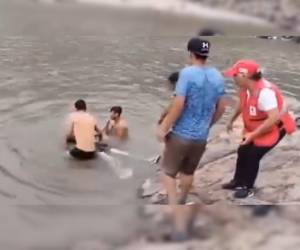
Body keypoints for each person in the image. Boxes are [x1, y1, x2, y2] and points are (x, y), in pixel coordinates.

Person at [157, 37, 227, 205]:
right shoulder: (217, 76)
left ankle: (173, 207)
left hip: (181, 134)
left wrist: (164, 127)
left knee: (167, 173)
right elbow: (222, 107)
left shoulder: (186, 73)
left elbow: (178, 104)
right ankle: (182, 200)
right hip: (201, 137)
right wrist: (208, 124)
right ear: (206, 55)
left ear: (191, 53)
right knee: (188, 172)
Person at [223, 60, 297, 198]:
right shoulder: (245, 88)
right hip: (258, 127)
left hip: (275, 127)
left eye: (234, 75)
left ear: (244, 76)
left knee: (252, 155)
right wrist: (231, 120)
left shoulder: (265, 93)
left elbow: (273, 118)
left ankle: (248, 187)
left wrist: (253, 135)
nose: (232, 78)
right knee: (242, 150)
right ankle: (237, 181)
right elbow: (242, 102)